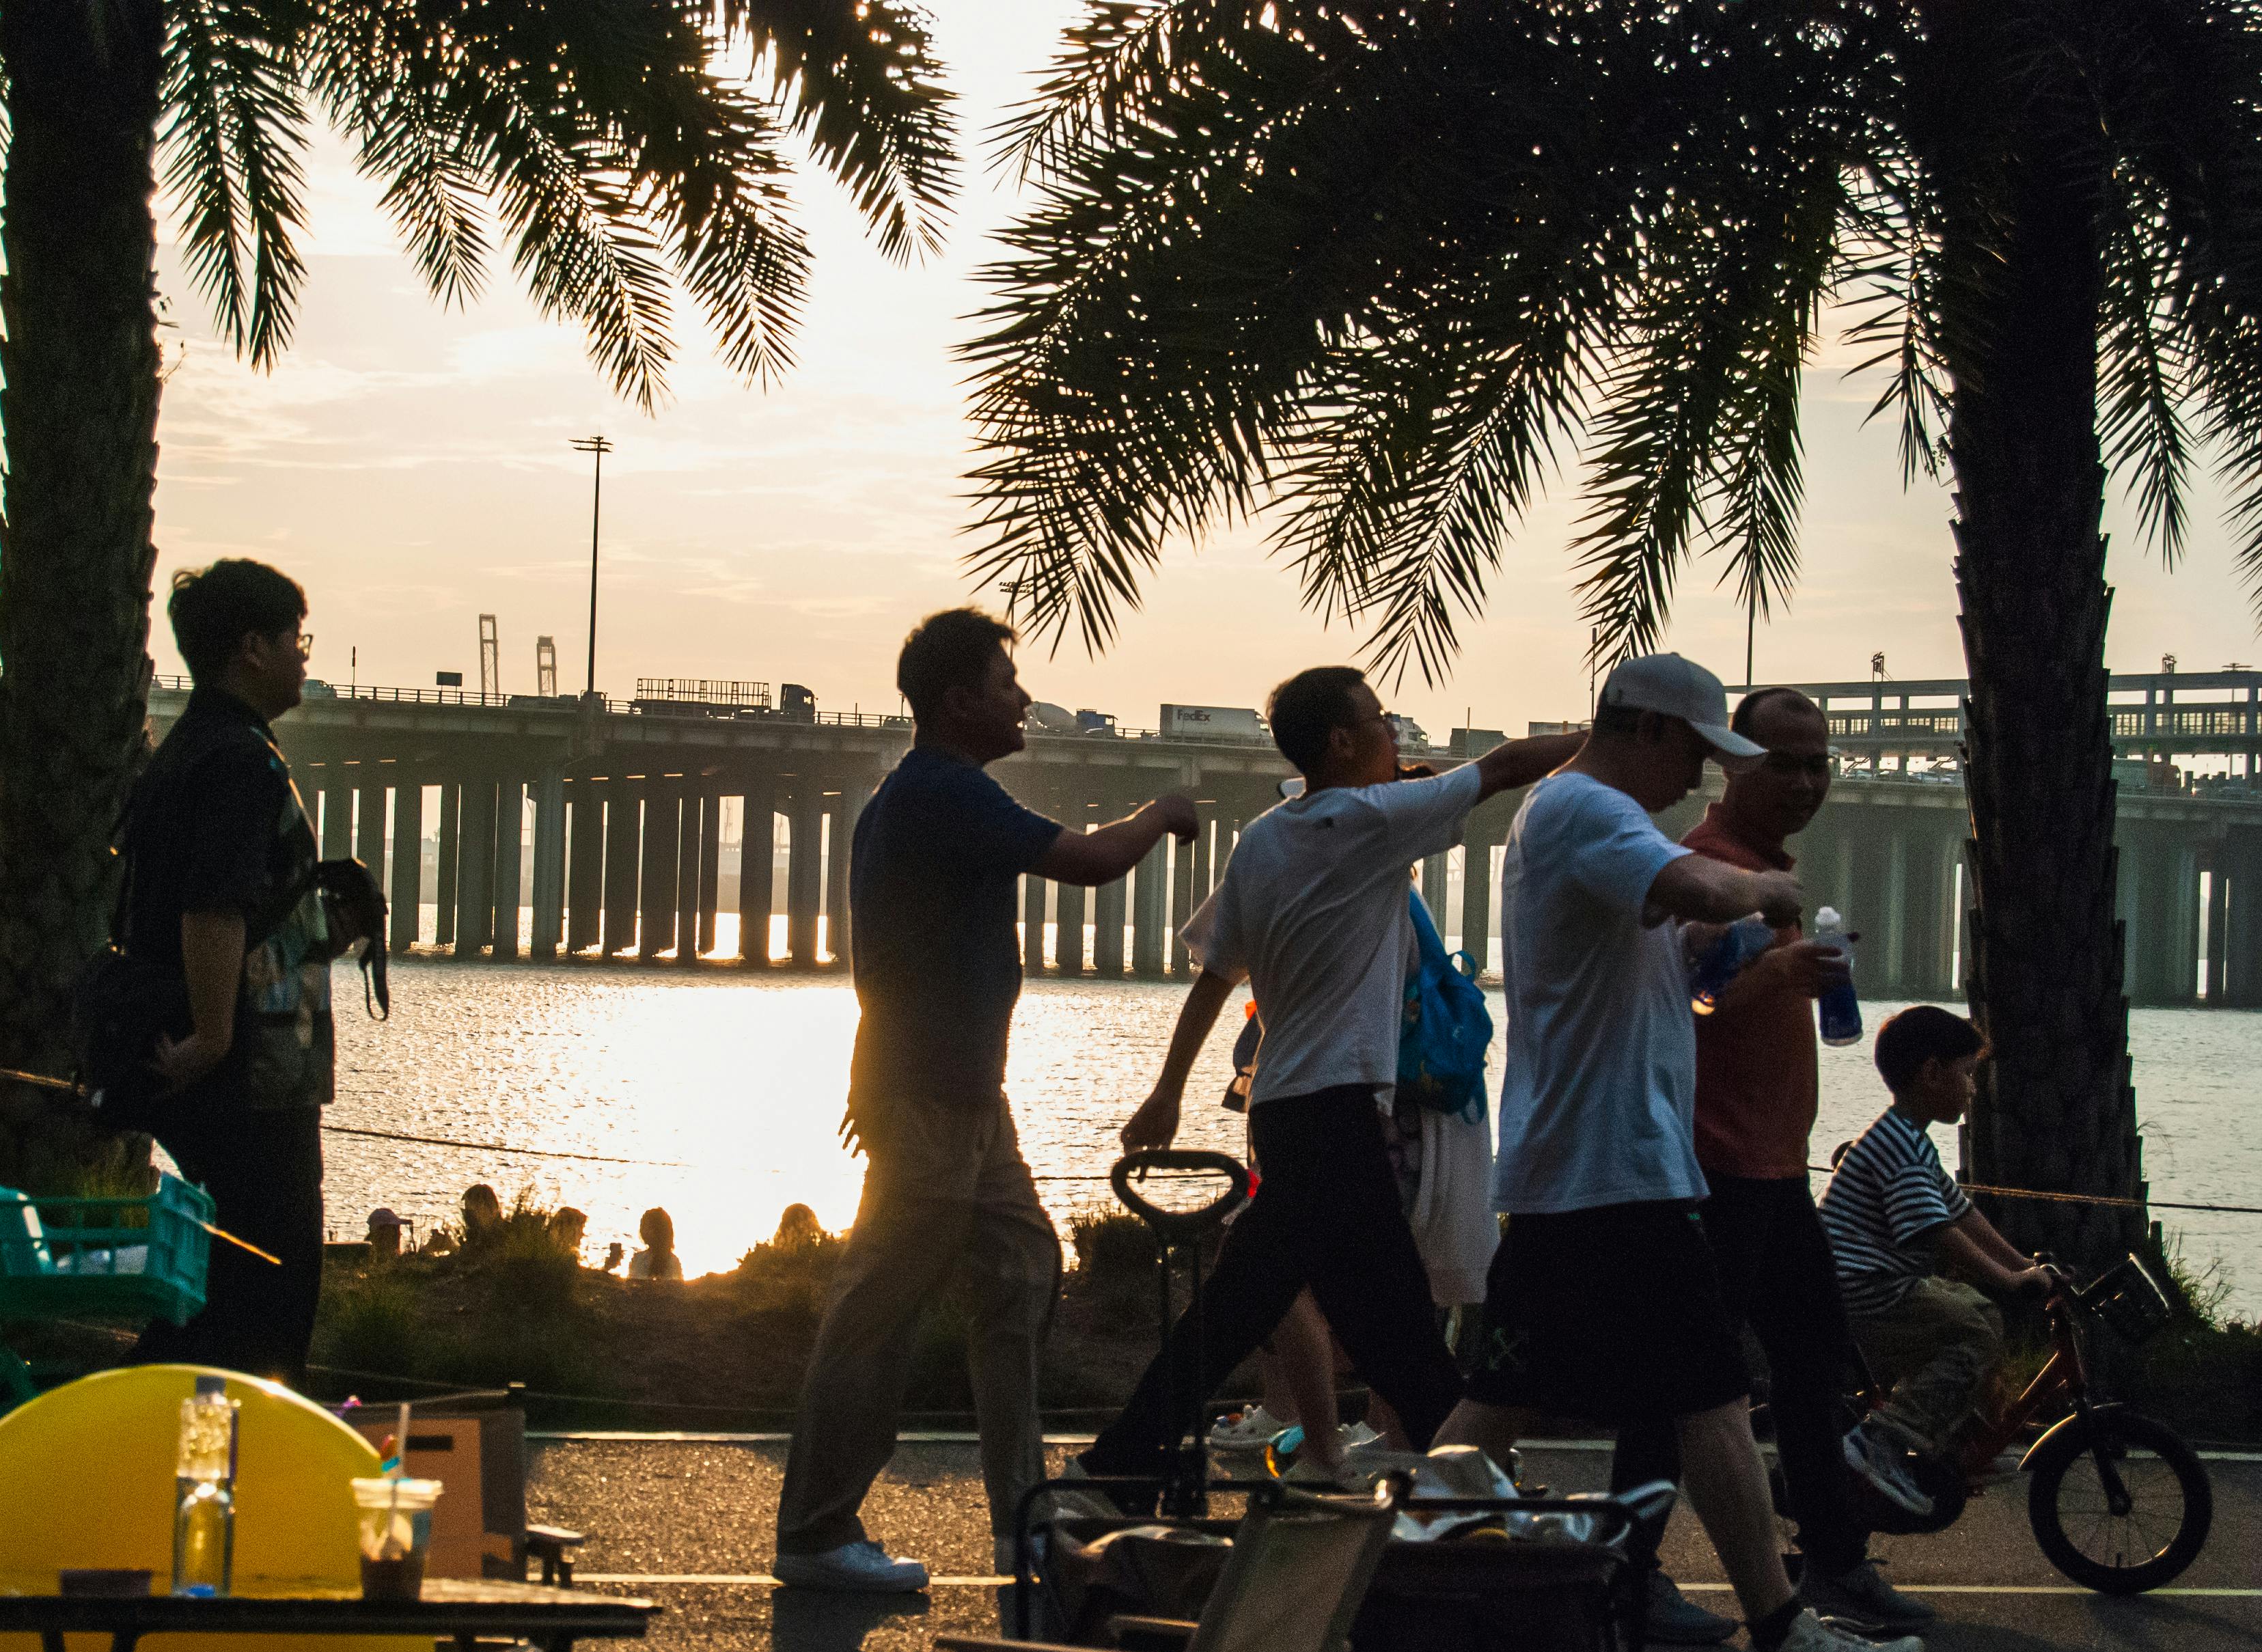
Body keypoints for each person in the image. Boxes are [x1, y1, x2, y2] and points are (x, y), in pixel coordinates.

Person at [1429, 652, 1924, 1652]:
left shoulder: (1584, 821)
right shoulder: (1587, 811)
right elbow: (1695, 881)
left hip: (1588, 1169)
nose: (1703, 782)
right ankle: (1784, 1633)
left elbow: (1667, 937)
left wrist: (1719, 936)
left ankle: (1364, 1587)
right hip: (1617, 1170)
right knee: (1708, 1395)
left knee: (1501, 1397)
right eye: (1700, 755)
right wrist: (1766, 891)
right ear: (1649, 730)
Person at [772, 607, 1198, 1593]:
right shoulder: (938, 795)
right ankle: (817, 1534)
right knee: (876, 1314)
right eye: (1009, 684)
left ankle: (1023, 1524)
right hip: (931, 1104)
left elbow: (885, 957)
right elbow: (1087, 863)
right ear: (960, 701)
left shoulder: (924, 798)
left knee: (1022, 1272)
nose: (1024, 700)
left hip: (968, 1099)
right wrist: (1164, 811)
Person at [1085, 670, 1580, 1491]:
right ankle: (1477, 1482)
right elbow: (1498, 768)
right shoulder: (1370, 819)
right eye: (1381, 721)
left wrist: (1167, 1090)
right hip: (1337, 1111)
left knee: (1336, 1313)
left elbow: (1215, 972)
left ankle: (1132, 1452)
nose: (1397, 735)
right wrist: (1601, 741)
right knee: (1346, 1312)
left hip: (1284, 1107)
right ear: (1342, 742)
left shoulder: (1266, 837)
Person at [1610, 686, 1930, 1643]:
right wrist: (1775, 977)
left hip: (1776, 1172)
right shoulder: (1706, 871)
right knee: (1687, 1380)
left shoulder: (1769, 873)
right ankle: (1630, 1572)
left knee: (1810, 1366)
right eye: (1781, 761)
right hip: (1713, 1168)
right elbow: (1684, 1008)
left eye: (1817, 763)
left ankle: (1831, 1559)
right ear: (1730, 763)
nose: (1803, 781)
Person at [123, 560, 335, 1390]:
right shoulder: (240, 760)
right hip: (250, 1070)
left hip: (225, 1062)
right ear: (252, 647)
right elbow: (211, 909)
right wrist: (212, 1037)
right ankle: (217, 1463)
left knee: (216, 1289)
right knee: (269, 1291)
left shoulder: (185, 749)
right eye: (295, 639)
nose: (302, 656)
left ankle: (163, 1449)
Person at [1824, 1006, 2050, 1511]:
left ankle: (1954, 1436)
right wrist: (2008, 1280)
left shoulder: (1908, 1137)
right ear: (1931, 1073)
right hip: (1865, 1289)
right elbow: (1937, 1229)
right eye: (1967, 1074)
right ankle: (1881, 1440)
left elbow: (1961, 1212)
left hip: (1878, 1282)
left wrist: (2023, 1266)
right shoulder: (1899, 1149)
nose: (1973, 1089)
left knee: (1982, 1313)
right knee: (1969, 1334)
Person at [626, 1208, 682, 1280]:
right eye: (642, 1226)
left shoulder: (672, 1262)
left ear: (659, 1231)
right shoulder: (638, 1258)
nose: (643, 1230)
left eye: (647, 1227)